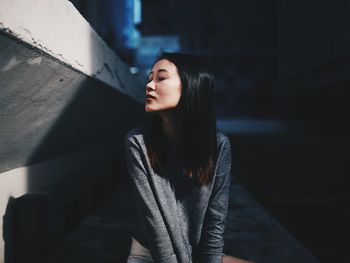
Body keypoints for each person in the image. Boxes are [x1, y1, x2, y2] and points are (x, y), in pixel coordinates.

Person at [124, 52, 254, 263]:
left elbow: (215, 220)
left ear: (190, 86)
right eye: (149, 78)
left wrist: (209, 260)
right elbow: (154, 221)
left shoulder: (219, 145)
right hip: (152, 253)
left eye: (161, 78)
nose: (149, 86)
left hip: (197, 253)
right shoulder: (137, 142)